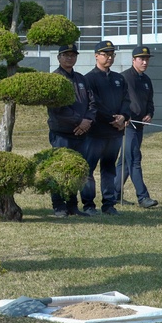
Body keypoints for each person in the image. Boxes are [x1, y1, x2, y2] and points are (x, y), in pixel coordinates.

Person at [80, 40, 130, 216]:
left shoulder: (119, 78)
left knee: (109, 169)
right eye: (105, 54)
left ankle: (109, 204)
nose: (109, 57)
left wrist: (124, 116)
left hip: (115, 132)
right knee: (88, 169)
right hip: (96, 132)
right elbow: (94, 104)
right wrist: (112, 118)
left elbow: (126, 101)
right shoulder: (89, 79)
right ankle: (88, 204)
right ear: (96, 56)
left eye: (111, 54)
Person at [47, 43, 96, 217]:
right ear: (59, 58)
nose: (70, 58)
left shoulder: (81, 79)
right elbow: (57, 109)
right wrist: (79, 121)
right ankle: (59, 205)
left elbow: (92, 104)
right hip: (62, 133)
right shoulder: (54, 79)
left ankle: (72, 205)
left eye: (73, 55)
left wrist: (88, 121)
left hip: (81, 134)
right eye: (66, 55)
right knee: (59, 169)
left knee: (76, 170)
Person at [116, 45, 159, 208]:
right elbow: (118, 100)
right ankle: (143, 197)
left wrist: (149, 113)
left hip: (139, 126)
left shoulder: (146, 80)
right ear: (134, 60)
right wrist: (123, 116)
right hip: (128, 126)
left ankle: (114, 194)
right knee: (134, 159)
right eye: (141, 59)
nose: (145, 62)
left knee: (125, 162)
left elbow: (150, 102)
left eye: (147, 59)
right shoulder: (124, 78)